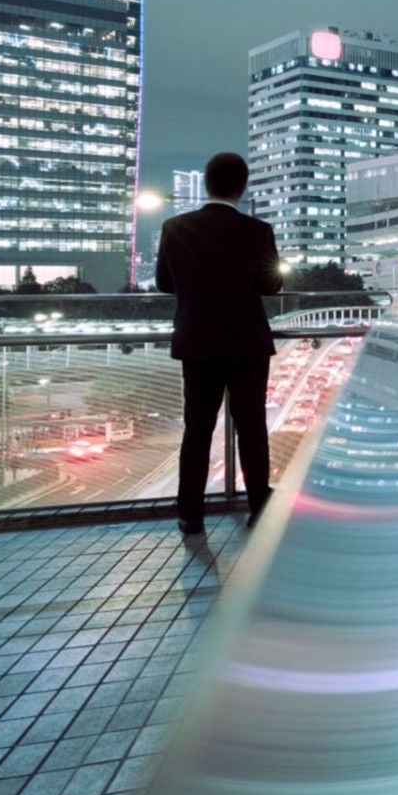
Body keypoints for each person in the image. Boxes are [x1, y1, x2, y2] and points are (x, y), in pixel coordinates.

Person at [156, 152, 283, 536]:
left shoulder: (174, 227)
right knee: (251, 427)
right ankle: (259, 505)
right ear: (241, 188)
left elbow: (164, 282)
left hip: (197, 343)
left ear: (207, 184)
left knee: (197, 428)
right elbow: (271, 284)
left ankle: (191, 514)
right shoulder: (257, 231)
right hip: (247, 343)